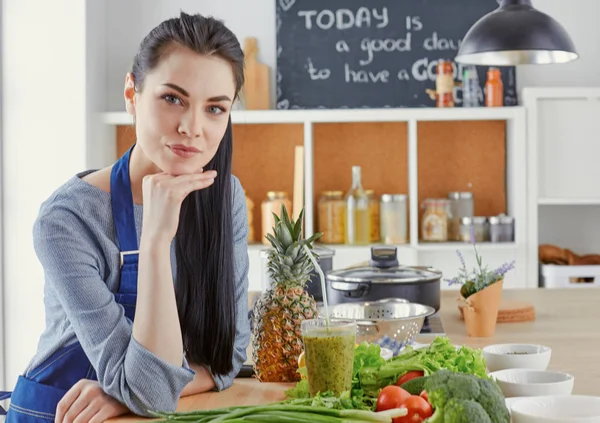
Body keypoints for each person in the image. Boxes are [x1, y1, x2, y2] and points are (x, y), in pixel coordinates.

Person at [0, 11, 250, 422]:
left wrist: (127, 392)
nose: (192, 127)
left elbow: (226, 358)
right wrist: (154, 241)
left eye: (215, 109)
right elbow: (153, 392)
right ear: (132, 94)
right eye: (173, 99)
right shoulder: (67, 220)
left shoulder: (226, 199)